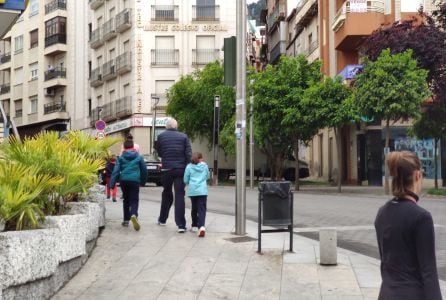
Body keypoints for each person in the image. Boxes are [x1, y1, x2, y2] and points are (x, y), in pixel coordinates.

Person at [375, 151, 442, 300]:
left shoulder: (382, 213)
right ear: (417, 175)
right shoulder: (421, 217)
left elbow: (385, 265)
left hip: (386, 293)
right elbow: (429, 273)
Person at [155, 117, 192, 233]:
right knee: (180, 195)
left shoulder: (161, 137)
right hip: (180, 169)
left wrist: (165, 158)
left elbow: (159, 151)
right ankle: (181, 225)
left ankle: (162, 219)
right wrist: (186, 166)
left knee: (166, 192)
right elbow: (188, 154)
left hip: (166, 169)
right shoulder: (184, 137)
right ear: (176, 126)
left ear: (166, 126)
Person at [110, 140, 147, 231]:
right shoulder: (139, 157)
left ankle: (126, 220)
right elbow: (144, 170)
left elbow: (115, 171)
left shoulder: (121, 158)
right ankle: (133, 214)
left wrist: (112, 184)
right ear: (133, 147)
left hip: (124, 181)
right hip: (135, 181)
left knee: (126, 200)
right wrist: (143, 181)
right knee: (134, 199)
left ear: (124, 148)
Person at [184, 152, 209, 237]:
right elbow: (207, 176)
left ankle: (194, 225)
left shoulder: (189, 166)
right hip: (202, 191)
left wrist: (190, 182)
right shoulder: (205, 166)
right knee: (202, 209)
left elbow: (185, 179)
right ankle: (201, 226)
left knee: (194, 208)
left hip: (193, 191)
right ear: (200, 159)